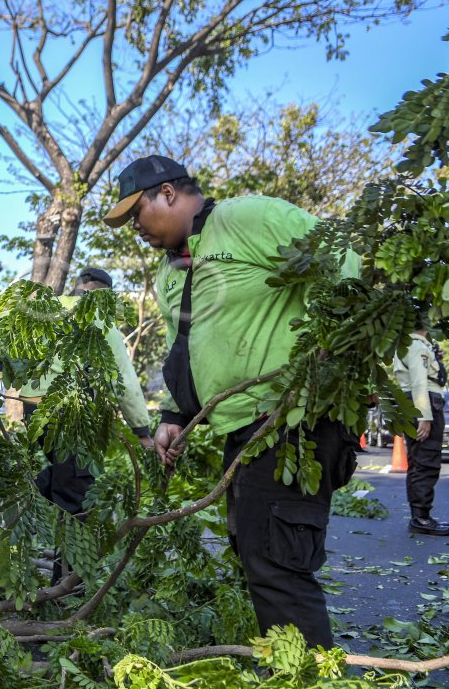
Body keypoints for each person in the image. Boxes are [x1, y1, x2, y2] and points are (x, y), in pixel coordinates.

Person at [103, 154, 359, 648]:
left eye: (137, 213)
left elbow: (342, 259)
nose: (134, 226)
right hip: (241, 431)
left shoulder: (248, 218)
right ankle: (288, 665)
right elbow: (188, 347)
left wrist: (331, 358)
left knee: (279, 566)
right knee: (257, 556)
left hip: (293, 423)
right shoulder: (168, 271)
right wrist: (175, 416)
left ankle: (304, 680)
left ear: (169, 193)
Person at [2, 267, 153, 583]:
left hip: (35, 411)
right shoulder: (97, 316)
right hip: (70, 412)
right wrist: (142, 430)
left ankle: (28, 496)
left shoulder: (49, 308)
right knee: (79, 498)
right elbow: (122, 377)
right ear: (103, 294)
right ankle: (67, 588)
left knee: (61, 479)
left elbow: (5, 342)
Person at [394, 329, 449, 536]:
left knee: (418, 461)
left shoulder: (412, 345)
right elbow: (419, 381)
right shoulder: (416, 345)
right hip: (424, 402)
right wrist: (425, 416)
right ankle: (421, 518)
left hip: (413, 402)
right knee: (426, 462)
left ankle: (419, 516)